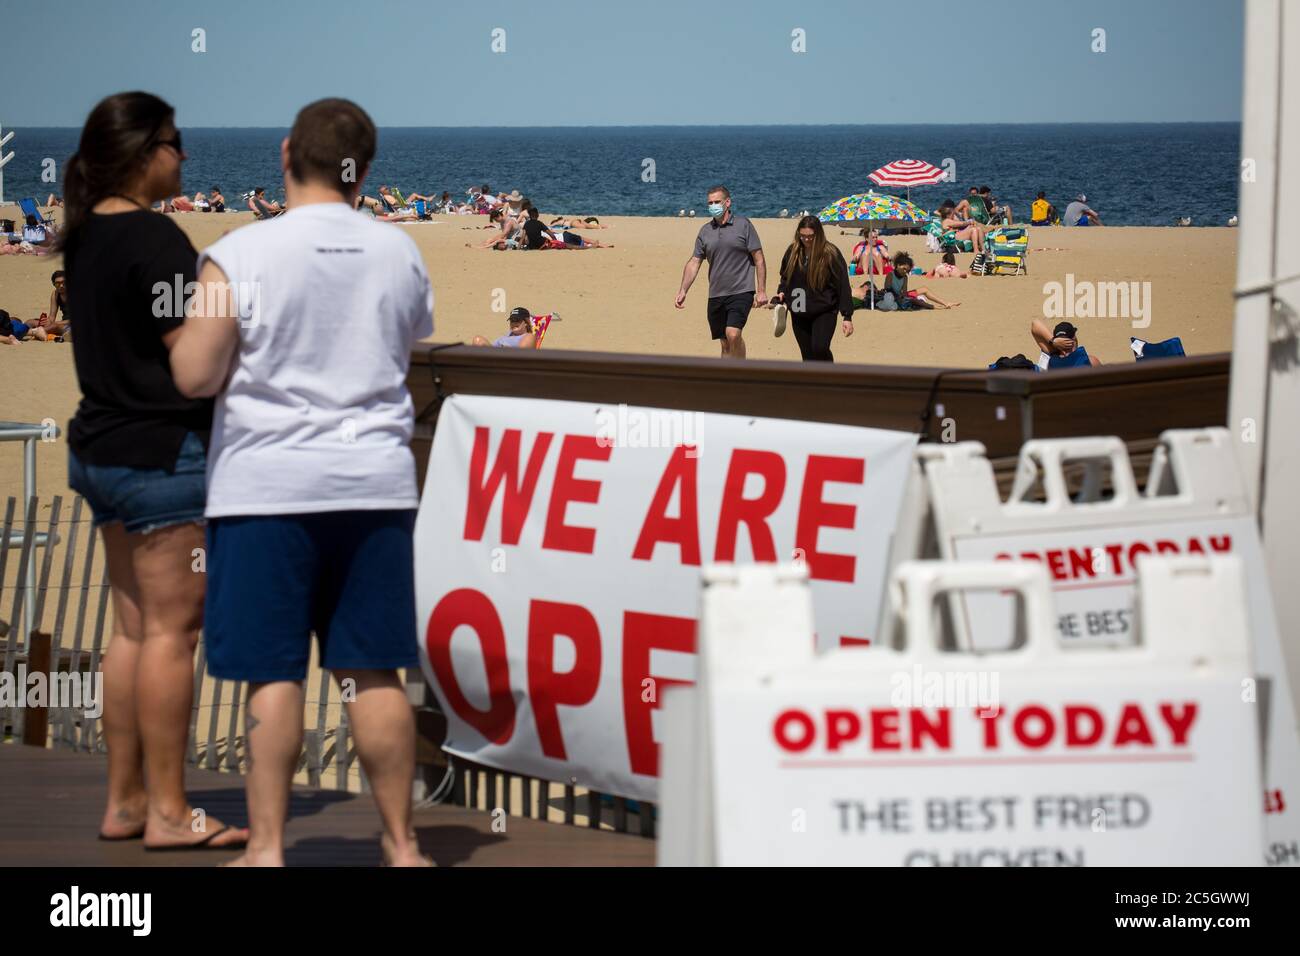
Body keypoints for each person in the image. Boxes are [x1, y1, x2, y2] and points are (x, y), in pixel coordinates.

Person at [168, 97, 434, 868]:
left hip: (266, 489)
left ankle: (270, 848)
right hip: (375, 486)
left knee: (272, 674)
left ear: (286, 154)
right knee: (373, 671)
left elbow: (194, 372)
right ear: (366, 170)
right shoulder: (398, 252)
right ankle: (403, 843)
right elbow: (411, 338)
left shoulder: (238, 253)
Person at [56, 92, 248, 851]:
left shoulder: (85, 232)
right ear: (144, 151)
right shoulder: (154, 238)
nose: (185, 156)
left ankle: (127, 801)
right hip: (162, 456)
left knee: (132, 632)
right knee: (173, 634)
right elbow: (192, 361)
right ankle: (169, 811)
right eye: (176, 142)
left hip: (99, 448)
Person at [675, 185, 766, 359]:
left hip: (742, 291)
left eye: (717, 202)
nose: (713, 206)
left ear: (727, 202)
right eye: (710, 203)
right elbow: (695, 262)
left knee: (733, 334)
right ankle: (727, 378)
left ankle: (739, 375)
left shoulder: (743, 225)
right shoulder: (705, 231)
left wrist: (761, 290)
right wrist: (683, 290)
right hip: (716, 293)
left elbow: (759, 258)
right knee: (725, 343)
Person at [771, 216, 853, 363]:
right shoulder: (793, 251)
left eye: (810, 236)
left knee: (820, 348)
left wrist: (847, 316)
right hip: (799, 307)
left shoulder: (830, 253)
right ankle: (813, 384)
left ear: (818, 234)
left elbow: (843, 284)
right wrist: (782, 291)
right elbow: (785, 276)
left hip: (824, 309)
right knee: (807, 355)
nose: (806, 240)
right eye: (802, 236)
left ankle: (828, 375)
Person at [877, 252, 960, 311]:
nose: (905, 271)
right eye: (904, 269)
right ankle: (934, 307)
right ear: (898, 265)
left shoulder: (905, 277)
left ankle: (946, 303)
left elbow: (905, 292)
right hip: (892, 297)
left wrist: (906, 296)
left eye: (907, 270)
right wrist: (906, 297)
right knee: (914, 300)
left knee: (924, 289)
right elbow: (887, 289)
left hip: (901, 296)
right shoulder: (891, 275)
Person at [1032, 319, 1102, 366]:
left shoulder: (1053, 356)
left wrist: (1053, 341)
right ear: (1074, 338)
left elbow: (1035, 324)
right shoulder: (1090, 361)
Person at [471, 307, 539, 348]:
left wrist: (505, 351)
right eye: (512, 321)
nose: (513, 323)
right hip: (493, 360)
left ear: (526, 323)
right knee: (478, 339)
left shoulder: (528, 337)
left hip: (508, 365)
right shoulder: (505, 337)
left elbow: (521, 357)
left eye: (517, 320)